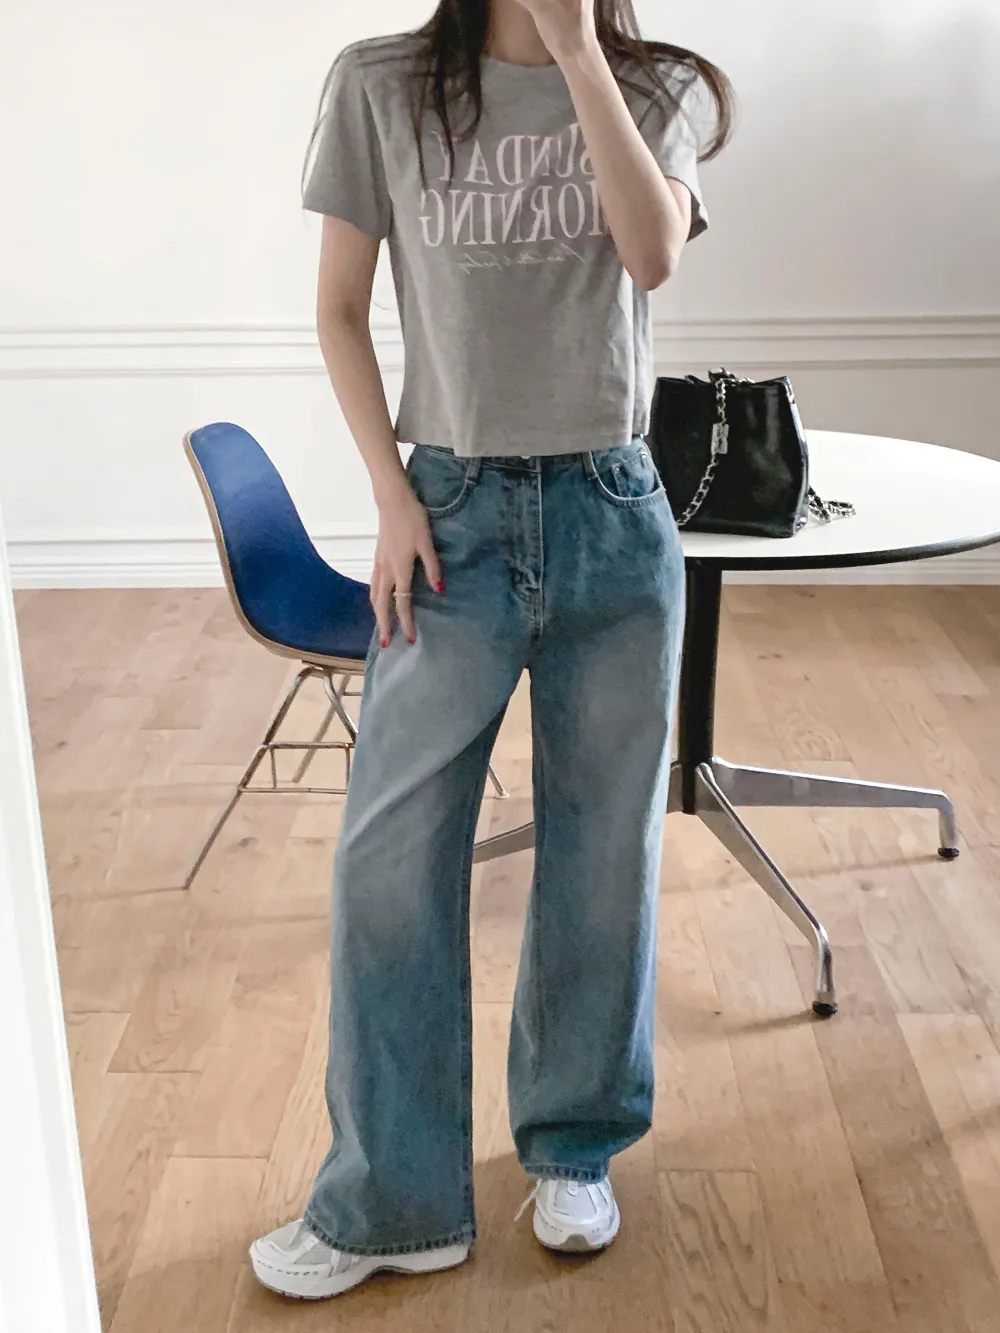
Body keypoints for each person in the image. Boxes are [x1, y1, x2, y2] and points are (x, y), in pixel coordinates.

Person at [250, 0, 733, 1301]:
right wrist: (391, 498)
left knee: (601, 852)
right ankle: (392, 1201)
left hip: (612, 511)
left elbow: (652, 258)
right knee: (389, 864)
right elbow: (339, 310)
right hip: (449, 513)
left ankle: (575, 1147)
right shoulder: (381, 85)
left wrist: (578, 52)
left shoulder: (658, 87)